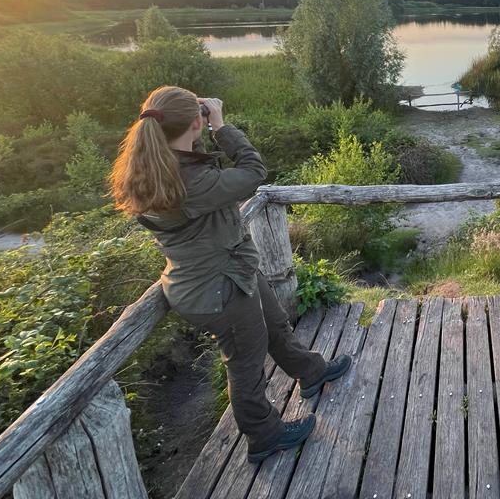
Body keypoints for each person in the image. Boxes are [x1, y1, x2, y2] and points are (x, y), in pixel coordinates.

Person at [110, 86, 351, 463]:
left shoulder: (157, 168)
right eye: (200, 116)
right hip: (219, 288)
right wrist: (220, 127)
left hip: (227, 272)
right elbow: (254, 172)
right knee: (245, 366)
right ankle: (264, 434)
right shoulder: (190, 181)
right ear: (195, 123)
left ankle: (311, 371)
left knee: (274, 324)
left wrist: (199, 127)